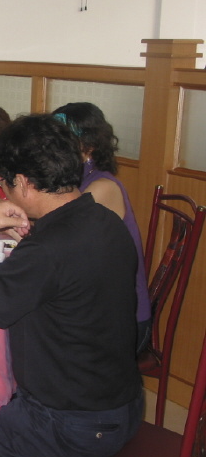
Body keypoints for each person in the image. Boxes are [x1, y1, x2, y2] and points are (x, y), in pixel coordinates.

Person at [0, 114, 143, 457]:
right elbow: (66, 278)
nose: (4, 192)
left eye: (5, 183)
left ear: (24, 183)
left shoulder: (48, 250)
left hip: (75, 423)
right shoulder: (102, 219)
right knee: (11, 386)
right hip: (121, 402)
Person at [52, 102, 151, 353]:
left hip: (120, 321)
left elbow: (57, 244)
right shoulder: (75, 180)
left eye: (61, 141)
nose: (51, 148)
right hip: (93, 307)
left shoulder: (102, 188)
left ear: (89, 146)